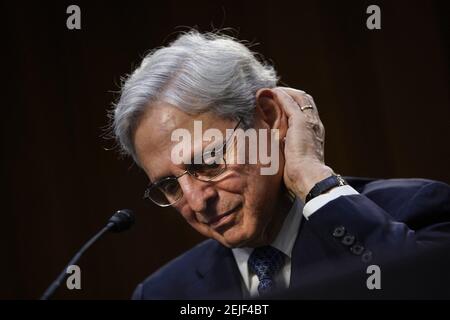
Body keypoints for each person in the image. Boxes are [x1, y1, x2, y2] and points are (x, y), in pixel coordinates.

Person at [110, 31, 450, 299]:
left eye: (208, 162)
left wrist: (313, 177)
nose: (197, 202)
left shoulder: (413, 211)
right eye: (170, 186)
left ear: (269, 118)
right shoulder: (163, 294)